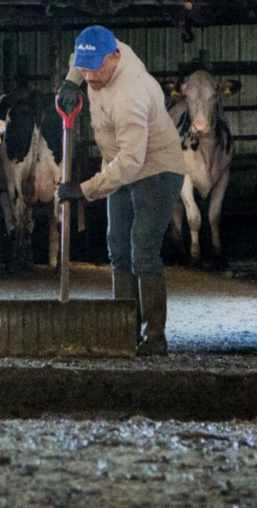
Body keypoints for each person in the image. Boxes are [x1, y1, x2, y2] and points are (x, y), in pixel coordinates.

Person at [54, 26, 186, 356]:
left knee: (142, 247)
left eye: (95, 67)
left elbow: (131, 162)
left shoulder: (132, 94)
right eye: (85, 67)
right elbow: (78, 58)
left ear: (115, 58)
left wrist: (84, 190)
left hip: (156, 169)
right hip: (120, 164)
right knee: (117, 246)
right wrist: (71, 81)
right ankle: (125, 328)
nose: (90, 75)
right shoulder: (97, 57)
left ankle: (154, 336)